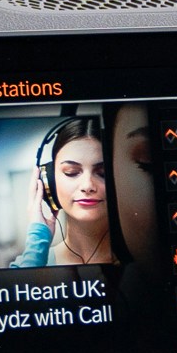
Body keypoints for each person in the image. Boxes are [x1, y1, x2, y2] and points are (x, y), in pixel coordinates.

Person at [15, 108, 125, 268]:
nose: (87, 186)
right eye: (71, 172)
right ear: (48, 182)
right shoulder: (30, 262)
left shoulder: (145, 265)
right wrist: (37, 241)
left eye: (102, 173)